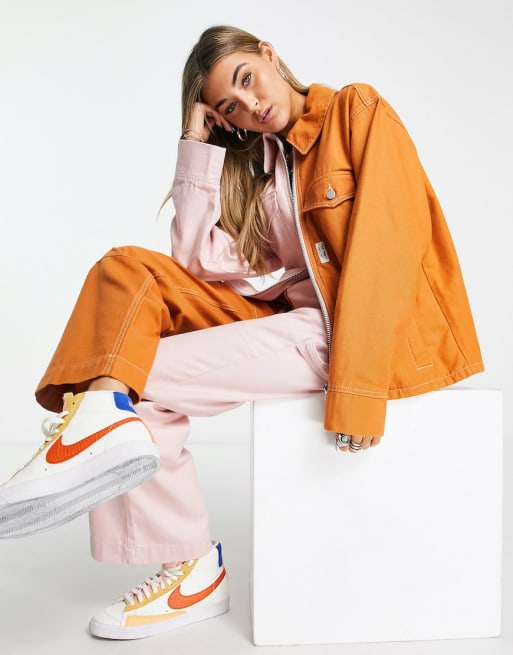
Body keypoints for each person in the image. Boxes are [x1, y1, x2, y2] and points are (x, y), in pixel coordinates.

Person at [0, 25, 483, 640]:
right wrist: (195, 144)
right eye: (229, 106)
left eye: (247, 79)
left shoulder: (355, 110)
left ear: (269, 55)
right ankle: (97, 422)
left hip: (351, 336)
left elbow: (387, 248)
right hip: (291, 323)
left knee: (132, 378)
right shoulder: (262, 164)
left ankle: (180, 554)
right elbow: (194, 259)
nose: (249, 105)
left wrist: (358, 392)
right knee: (124, 270)